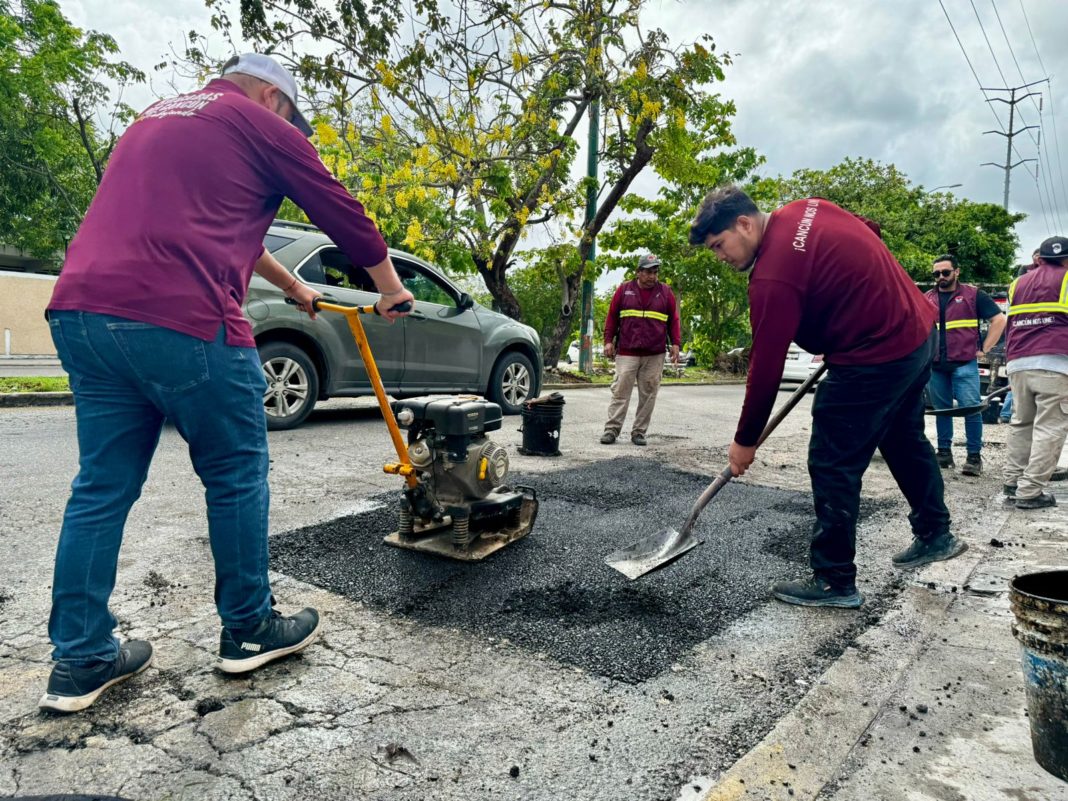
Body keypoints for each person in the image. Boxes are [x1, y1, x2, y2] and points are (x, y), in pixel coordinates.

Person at [40, 53, 415, 712]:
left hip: (83, 313)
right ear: (273, 97)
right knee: (238, 470)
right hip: (182, 318)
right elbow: (341, 210)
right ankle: (249, 628)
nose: (293, 128)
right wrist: (390, 289)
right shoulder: (261, 124)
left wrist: (295, 286)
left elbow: (218, 229)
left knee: (100, 486)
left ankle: (80, 658)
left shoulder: (153, 120)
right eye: (292, 117)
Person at [689, 186, 966, 609]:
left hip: (877, 353)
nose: (720, 257)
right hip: (917, 335)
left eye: (719, 245)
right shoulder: (807, 208)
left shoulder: (773, 275)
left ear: (744, 224)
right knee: (902, 438)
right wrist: (850, 297)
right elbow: (868, 230)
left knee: (832, 458)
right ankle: (935, 533)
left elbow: (766, 366)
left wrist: (744, 441)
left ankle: (834, 580)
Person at [1001, 235, 1068, 509]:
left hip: (1018, 361)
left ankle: (1013, 481)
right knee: (1050, 427)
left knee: (1022, 423)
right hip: (1055, 361)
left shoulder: (1018, 282)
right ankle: (1029, 492)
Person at [924, 255, 1006, 475]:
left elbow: (999, 320)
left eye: (945, 272)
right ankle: (944, 453)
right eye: (936, 274)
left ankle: (973, 457)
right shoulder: (927, 298)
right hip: (936, 365)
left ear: (956, 272)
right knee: (942, 411)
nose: (940, 277)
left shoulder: (973, 295)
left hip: (964, 363)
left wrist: (985, 349)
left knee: (971, 409)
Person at [599, 254, 681, 446]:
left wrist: (676, 343)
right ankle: (611, 429)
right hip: (627, 351)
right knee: (620, 391)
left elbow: (674, 320)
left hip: (654, 352)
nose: (652, 276)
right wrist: (608, 341)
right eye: (648, 272)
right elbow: (612, 317)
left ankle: (639, 432)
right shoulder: (624, 290)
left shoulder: (665, 293)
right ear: (638, 272)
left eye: (655, 272)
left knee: (649, 393)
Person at [1001, 249, 1042, 423]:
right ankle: (1005, 413)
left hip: (1024, 346)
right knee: (1017, 389)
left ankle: (1006, 414)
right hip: (1023, 346)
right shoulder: (1024, 271)